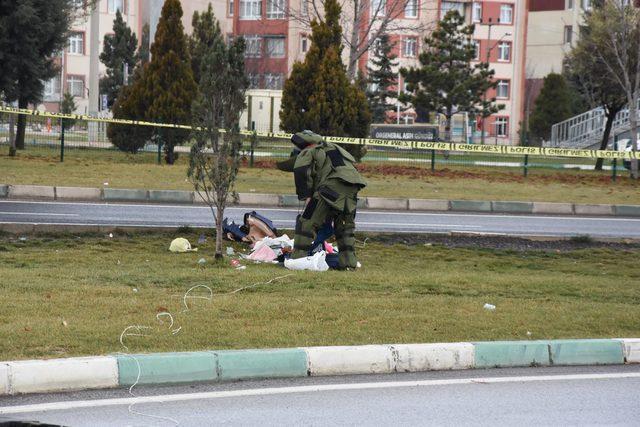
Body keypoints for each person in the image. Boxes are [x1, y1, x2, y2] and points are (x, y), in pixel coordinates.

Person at [277, 130, 367, 269]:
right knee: (345, 227)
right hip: (352, 188)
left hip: (330, 188)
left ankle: (298, 260)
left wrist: (306, 196)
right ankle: (349, 263)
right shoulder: (334, 148)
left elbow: (302, 171)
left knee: (306, 222)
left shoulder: (308, 151)